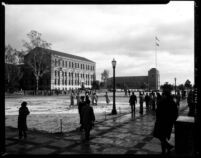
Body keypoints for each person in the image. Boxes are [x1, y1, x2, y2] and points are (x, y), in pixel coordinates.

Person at [153, 88, 178, 155]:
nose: (162, 95)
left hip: (162, 123)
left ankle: (167, 148)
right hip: (169, 123)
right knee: (164, 137)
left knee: (161, 137)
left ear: (165, 95)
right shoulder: (173, 102)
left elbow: (158, 112)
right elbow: (175, 114)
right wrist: (172, 121)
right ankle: (166, 150)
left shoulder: (162, 102)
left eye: (163, 94)